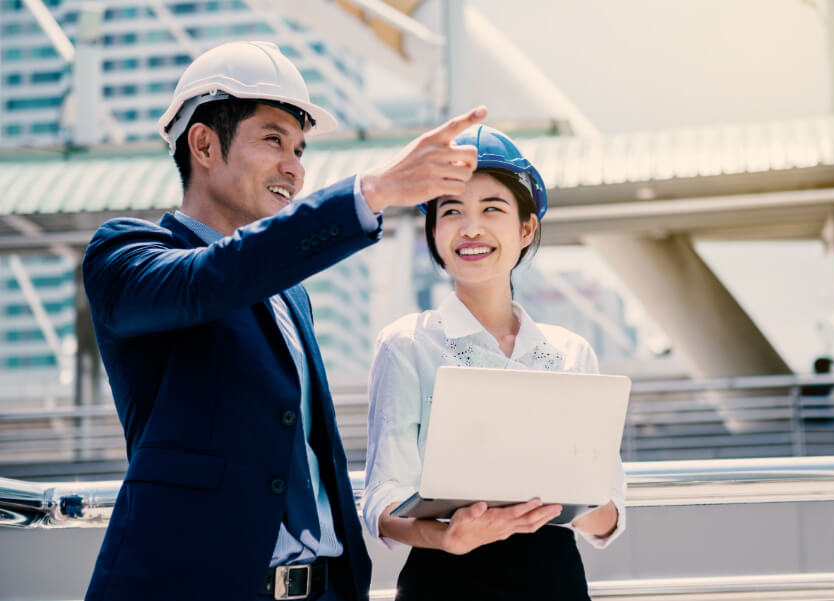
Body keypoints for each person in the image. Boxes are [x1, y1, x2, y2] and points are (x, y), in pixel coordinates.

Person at [81, 40, 486, 601]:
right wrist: (374, 192)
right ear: (202, 143)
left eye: (300, 149)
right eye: (273, 140)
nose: (294, 168)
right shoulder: (126, 256)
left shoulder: (290, 291)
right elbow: (210, 280)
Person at [362, 125, 627, 600]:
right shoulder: (407, 344)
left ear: (526, 228)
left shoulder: (570, 354)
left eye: (492, 209)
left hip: (554, 581)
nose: (471, 228)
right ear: (434, 232)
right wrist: (447, 536)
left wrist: (553, 494)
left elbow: (608, 516)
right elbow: (382, 499)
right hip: (446, 581)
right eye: (451, 211)